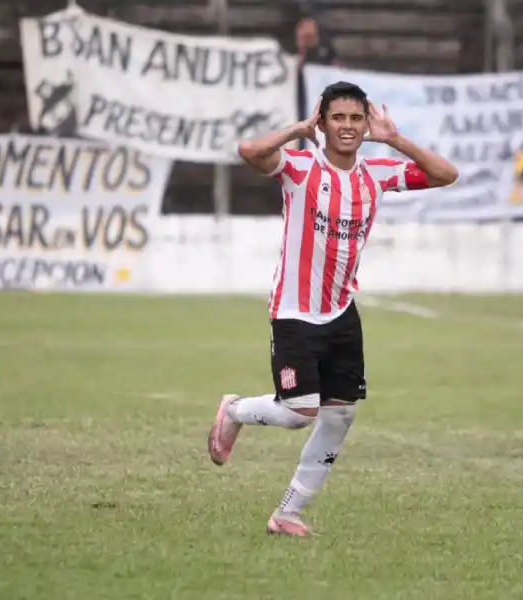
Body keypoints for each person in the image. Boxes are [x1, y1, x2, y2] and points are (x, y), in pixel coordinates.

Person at [207, 81, 459, 537]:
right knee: (299, 412)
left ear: (366, 125)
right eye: (337, 118)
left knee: (340, 414)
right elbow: (249, 151)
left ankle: (287, 513)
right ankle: (236, 410)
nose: (347, 127)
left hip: (341, 312)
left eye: (356, 118)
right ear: (322, 123)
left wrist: (396, 140)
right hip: (294, 311)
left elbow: (445, 175)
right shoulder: (300, 167)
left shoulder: (376, 175)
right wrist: (295, 130)